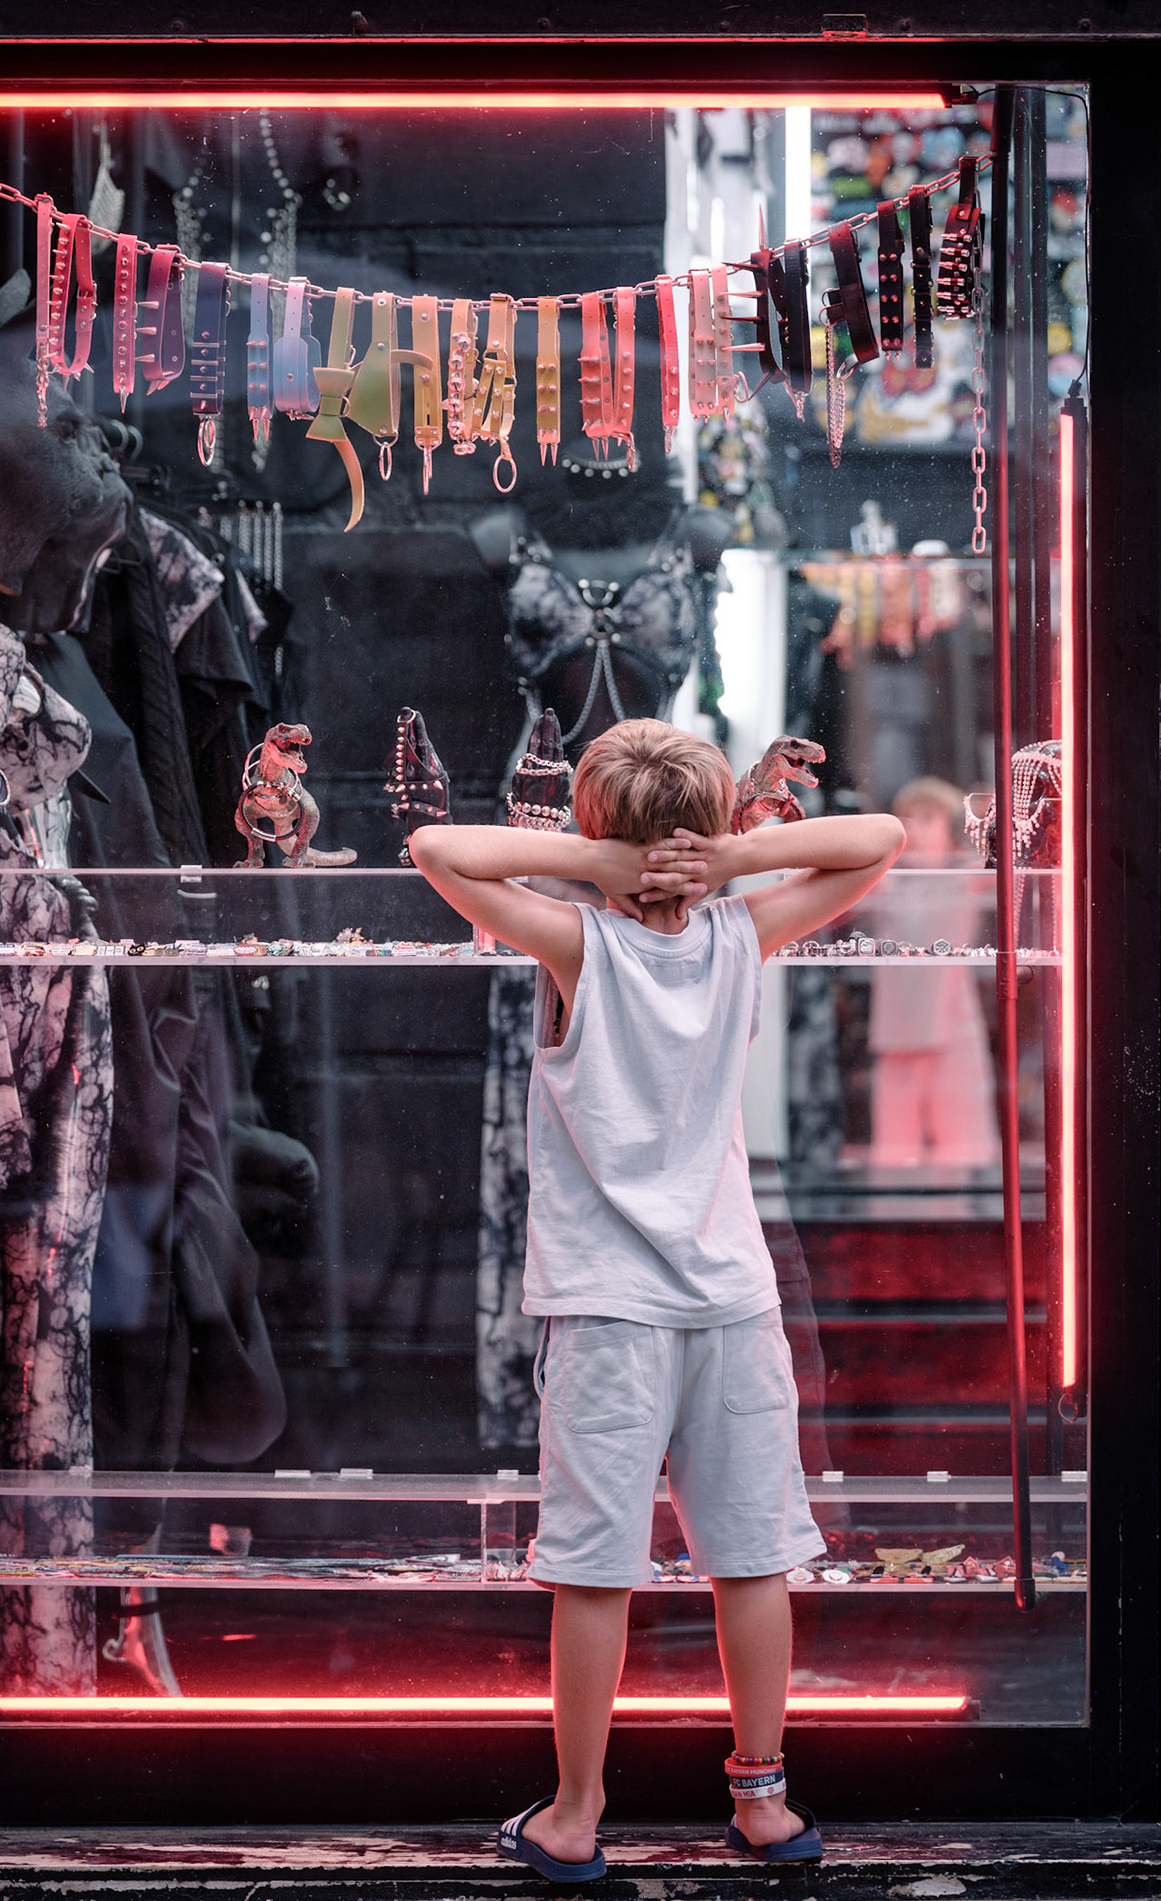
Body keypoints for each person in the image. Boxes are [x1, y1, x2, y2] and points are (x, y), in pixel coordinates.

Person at [409, 719, 903, 1881]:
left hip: (610, 1312)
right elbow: (872, 842)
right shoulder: (742, 934)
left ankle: (576, 1814)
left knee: (595, 1569)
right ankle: (765, 1804)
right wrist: (733, 859)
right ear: (710, 823)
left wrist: (595, 867)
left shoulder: (576, 944)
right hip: (734, 1302)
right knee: (751, 1560)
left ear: (592, 830)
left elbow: (437, 849)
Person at [867, 776, 1000, 1170]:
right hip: (896, 1035)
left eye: (928, 817)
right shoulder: (883, 881)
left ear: (950, 827)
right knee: (893, 1157)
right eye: (906, 818)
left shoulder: (965, 875)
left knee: (962, 1151)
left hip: (952, 1031)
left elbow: (1006, 849)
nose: (915, 829)